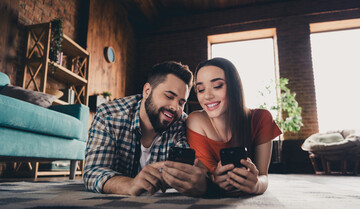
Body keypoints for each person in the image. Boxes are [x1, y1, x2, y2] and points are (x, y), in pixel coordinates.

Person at [84, 61, 208, 197]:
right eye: (169, 96)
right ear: (147, 91)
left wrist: (199, 179)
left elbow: (188, 168)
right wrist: (129, 185)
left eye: (181, 103)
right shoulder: (109, 115)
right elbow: (93, 171)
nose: (175, 107)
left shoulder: (181, 122)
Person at [186, 57, 282, 195]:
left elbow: (263, 176)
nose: (207, 96)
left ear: (234, 86)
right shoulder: (195, 120)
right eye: (200, 89)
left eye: (217, 86)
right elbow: (207, 176)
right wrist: (215, 179)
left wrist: (255, 186)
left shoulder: (262, 118)